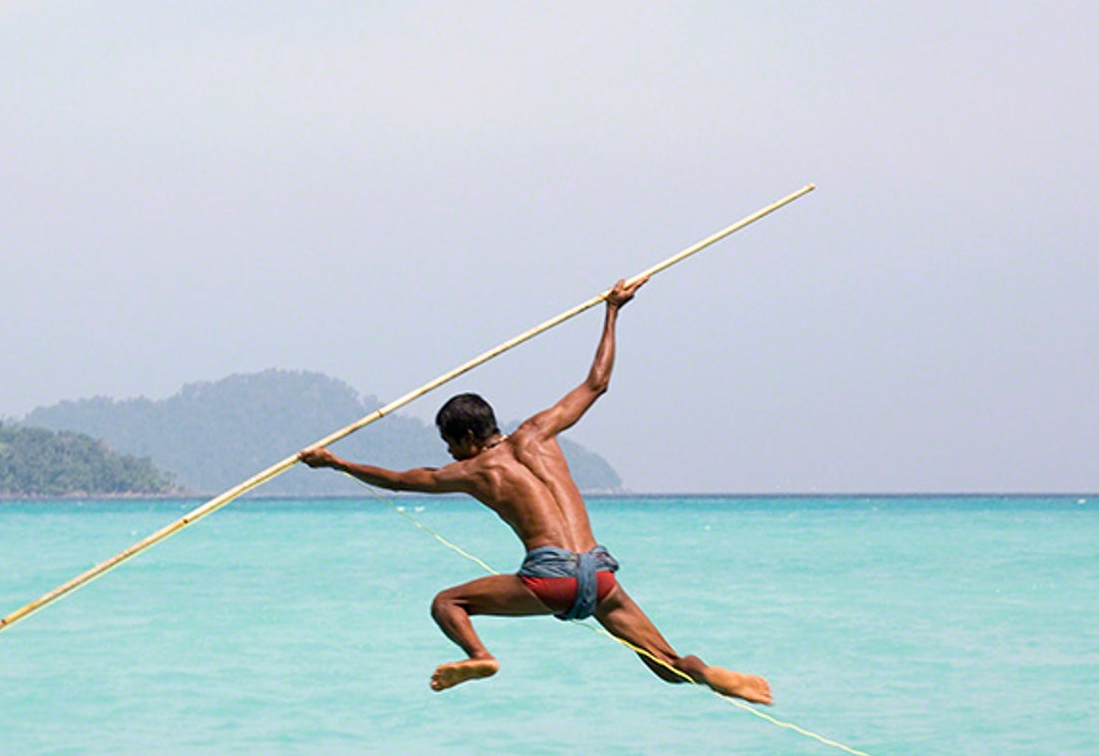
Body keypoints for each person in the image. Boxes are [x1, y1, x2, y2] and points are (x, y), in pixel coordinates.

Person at [299, 277, 773, 706]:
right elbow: (597, 383)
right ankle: (706, 672)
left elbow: (402, 480)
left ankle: (480, 655)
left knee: (447, 603)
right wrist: (612, 311)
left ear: (466, 438)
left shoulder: (475, 471)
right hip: (599, 571)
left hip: (552, 577)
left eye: (451, 445)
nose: (452, 456)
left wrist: (335, 462)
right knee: (666, 666)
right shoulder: (541, 432)